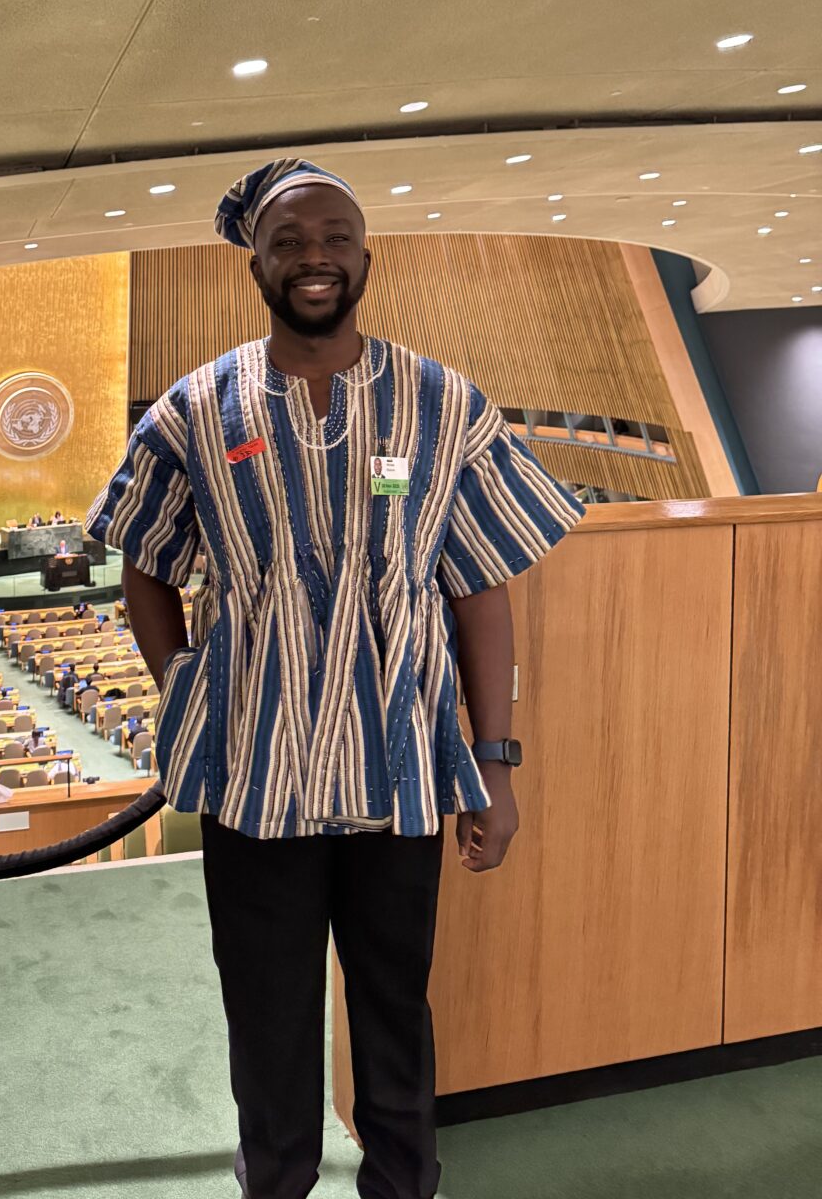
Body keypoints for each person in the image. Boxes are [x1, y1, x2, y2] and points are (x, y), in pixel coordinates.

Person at [86, 158, 585, 1199]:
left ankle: (404, 1187)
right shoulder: (196, 408)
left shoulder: (442, 403)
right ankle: (277, 1185)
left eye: (336, 235)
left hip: (398, 774)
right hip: (255, 782)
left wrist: (496, 762)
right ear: (256, 262)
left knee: (394, 1010)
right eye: (289, 240)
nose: (314, 255)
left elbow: (481, 586)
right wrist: (186, 683)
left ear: (367, 254)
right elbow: (143, 558)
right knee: (266, 1021)